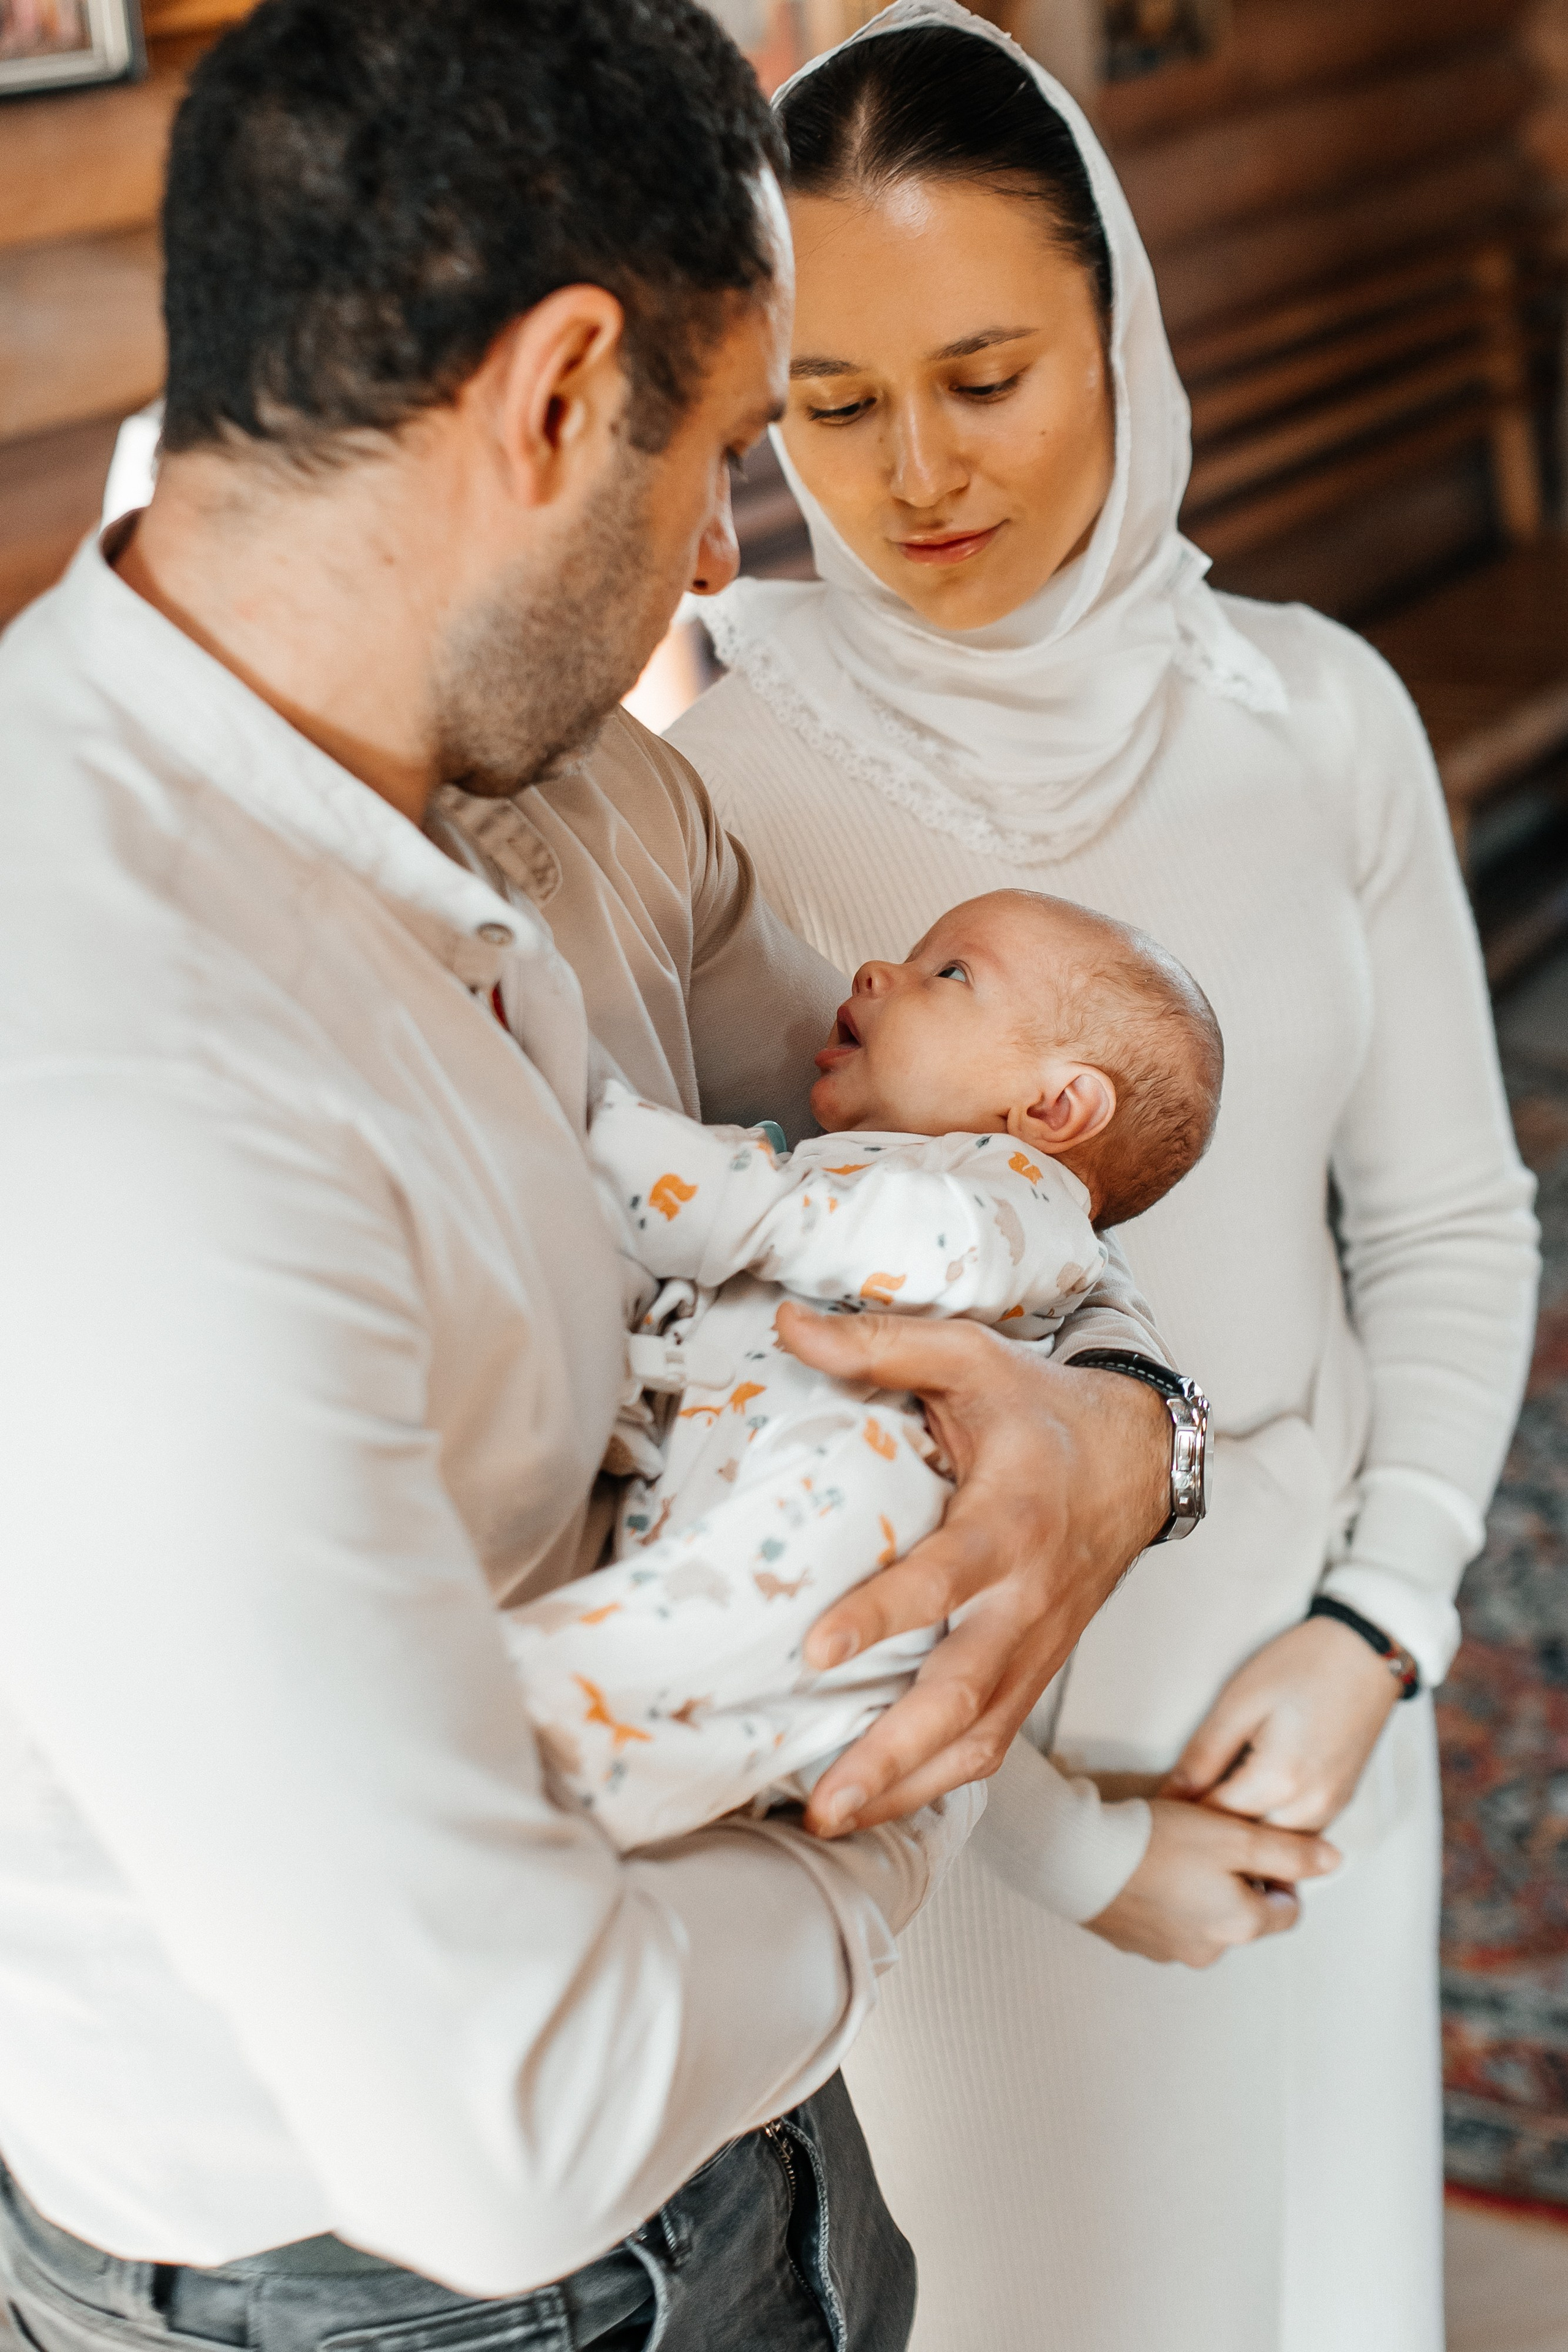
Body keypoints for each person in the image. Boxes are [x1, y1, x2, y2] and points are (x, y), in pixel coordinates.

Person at [0, 4, 1190, 2350]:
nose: (722, 570)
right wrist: (898, 1811)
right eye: (725, 457)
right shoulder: (116, 1093)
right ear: (556, 402)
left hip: (746, 2166)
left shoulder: (588, 799)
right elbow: (506, 2126)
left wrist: (1119, 1448)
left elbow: (968, 1169)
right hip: (379, 2300)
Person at [667, 4, 1543, 2346]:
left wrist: (1383, 1631)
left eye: (988, 376)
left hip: (1306, 1713)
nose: (916, 473)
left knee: (1322, 2282)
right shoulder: (718, 779)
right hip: (953, 1811)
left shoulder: (1316, 714)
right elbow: (717, 1425)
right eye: (833, 406)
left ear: (1118, 332)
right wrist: (1062, 1848)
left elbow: (1446, 1220)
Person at [509, 889, 1238, 1849]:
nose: (873, 974)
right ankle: (618, 1756)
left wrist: (661, 1168)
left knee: (853, 1489)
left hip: (845, 1526)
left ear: (1054, 1107)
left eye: (951, 974)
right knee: (715, 1646)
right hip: (714, 1492)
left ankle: (557, 1714)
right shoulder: (839, 1162)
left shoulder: (1020, 1195)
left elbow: (928, 1248)